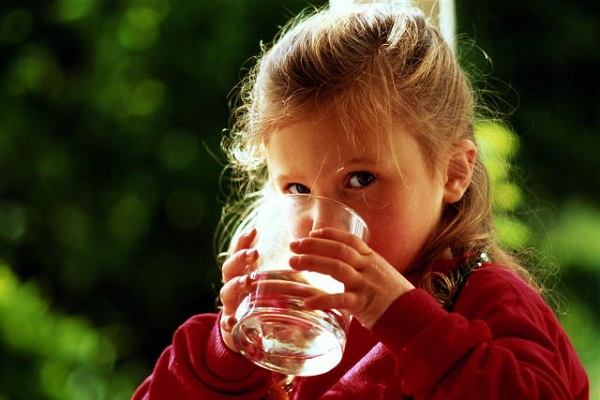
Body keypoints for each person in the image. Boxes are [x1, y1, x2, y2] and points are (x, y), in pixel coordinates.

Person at [133, 3, 589, 399]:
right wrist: (225, 355)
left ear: (453, 173)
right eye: (297, 190)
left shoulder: (489, 301)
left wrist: (401, 317)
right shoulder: (301, 322)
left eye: (361, 178)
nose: (319, 224)